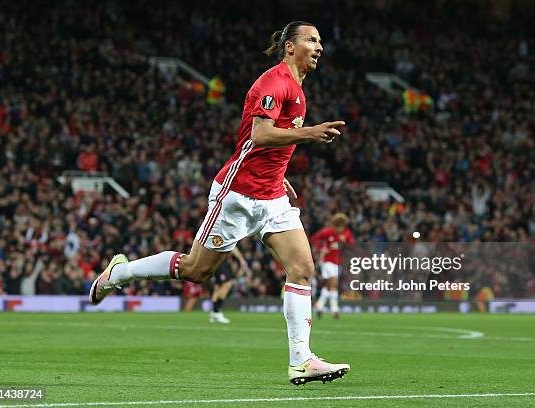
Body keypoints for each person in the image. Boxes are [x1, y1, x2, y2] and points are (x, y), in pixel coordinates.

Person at [89, 21, 350, 385]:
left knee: (303, 269)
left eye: (321, 40)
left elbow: (262, 142)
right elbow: (260, 134)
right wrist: (310, 133)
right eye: (311, 40)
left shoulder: (297, 87)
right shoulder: (274, 81)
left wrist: (279, 173)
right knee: (197, 270)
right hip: (239, 195)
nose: (319, 46)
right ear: (290, 47)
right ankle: (120, 273)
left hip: (272, 196)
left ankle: (301, 360)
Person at [311, 213, 354, 319]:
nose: (340, 229)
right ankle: (334, 309)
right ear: (334, 225)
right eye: (338, 226)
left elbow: (352, 245)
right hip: (327, 262)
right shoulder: (327, 232)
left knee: (328, 286)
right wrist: (321, 248)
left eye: (342, 226)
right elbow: (314, 238)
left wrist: (346, 243)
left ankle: (320, 306)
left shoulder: (346, 233)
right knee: (334, 284)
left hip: (339, 263)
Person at [209, 247, 249, 324]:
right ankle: (216, 312)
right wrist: (242, 260)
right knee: (227, 284)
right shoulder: (228, 235)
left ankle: (213, 314)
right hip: (219, 261)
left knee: (218, 287)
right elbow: (233, 247)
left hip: (216, 260)